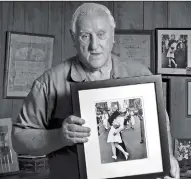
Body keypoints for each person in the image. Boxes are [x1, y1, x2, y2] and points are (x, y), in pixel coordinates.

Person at [11, 3, 179, 179]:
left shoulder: (140, 75)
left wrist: (168, 158)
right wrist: (60, 136)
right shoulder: (49, 83)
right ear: (73, 37)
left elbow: (162, 128)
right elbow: (19, 139)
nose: (94, 45)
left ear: (113, 35)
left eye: (101, 35)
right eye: (85, 36)